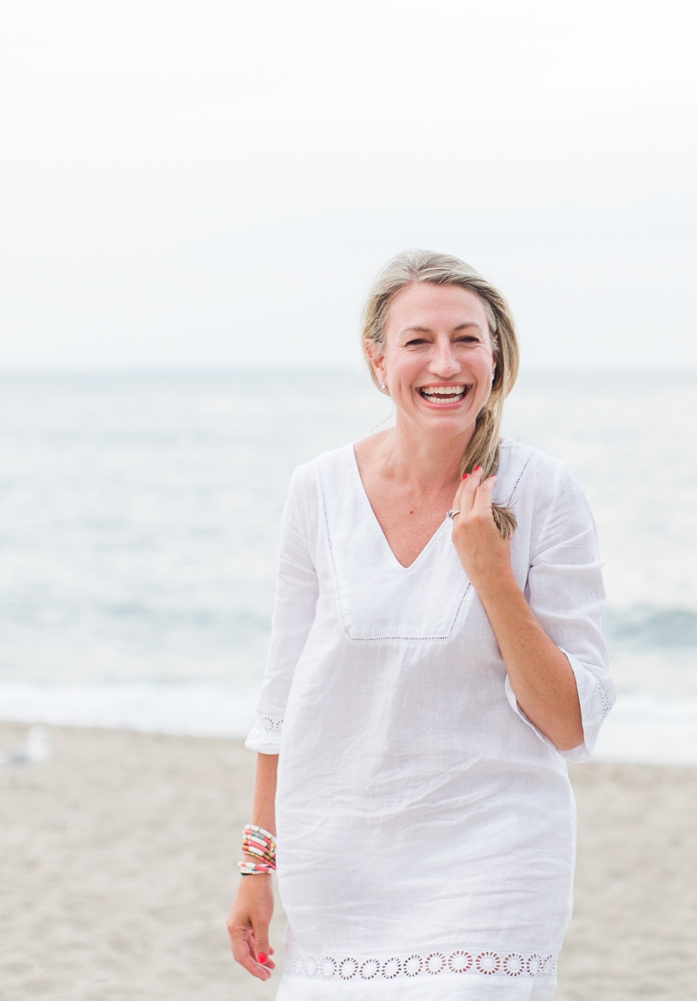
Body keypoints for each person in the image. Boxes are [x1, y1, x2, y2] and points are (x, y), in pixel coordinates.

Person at [226, 250, 615, 999]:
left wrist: (491, 572)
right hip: (341, 861)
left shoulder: (545, 492)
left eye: (467, 338)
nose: (446, 361)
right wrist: (256, 865)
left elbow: (568, 723)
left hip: (493, 857)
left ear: (496, 358)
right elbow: (282, 700)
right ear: (378, 360)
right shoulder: (318, 490)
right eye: (418, 340)